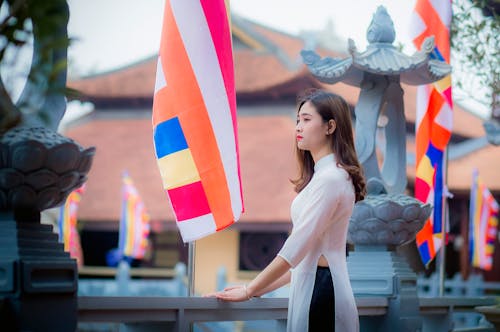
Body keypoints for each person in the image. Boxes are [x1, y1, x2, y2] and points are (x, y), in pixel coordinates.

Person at [210, 89, 366, 332]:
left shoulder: (332, 179)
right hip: (313, 285)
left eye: (306, 119)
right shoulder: (323, 177)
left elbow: (296, 248)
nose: (298, 127)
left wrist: (249, 289)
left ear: (330, 126)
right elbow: (300, 262)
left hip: (323, 292)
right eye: (297, 120)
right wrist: (256, 289)